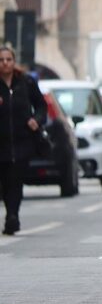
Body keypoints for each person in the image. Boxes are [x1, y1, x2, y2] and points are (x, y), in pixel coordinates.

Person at [0, 46, 47, 235]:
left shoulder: (26, 82)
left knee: (16, 179)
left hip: (22, 140)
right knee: (5, 180)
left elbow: (41, 106)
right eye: (1, 60)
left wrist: (36, 120)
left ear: (14, 61)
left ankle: (12, 216)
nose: (5, 63)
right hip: (1, 142)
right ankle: (11, 213)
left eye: (8, 59)